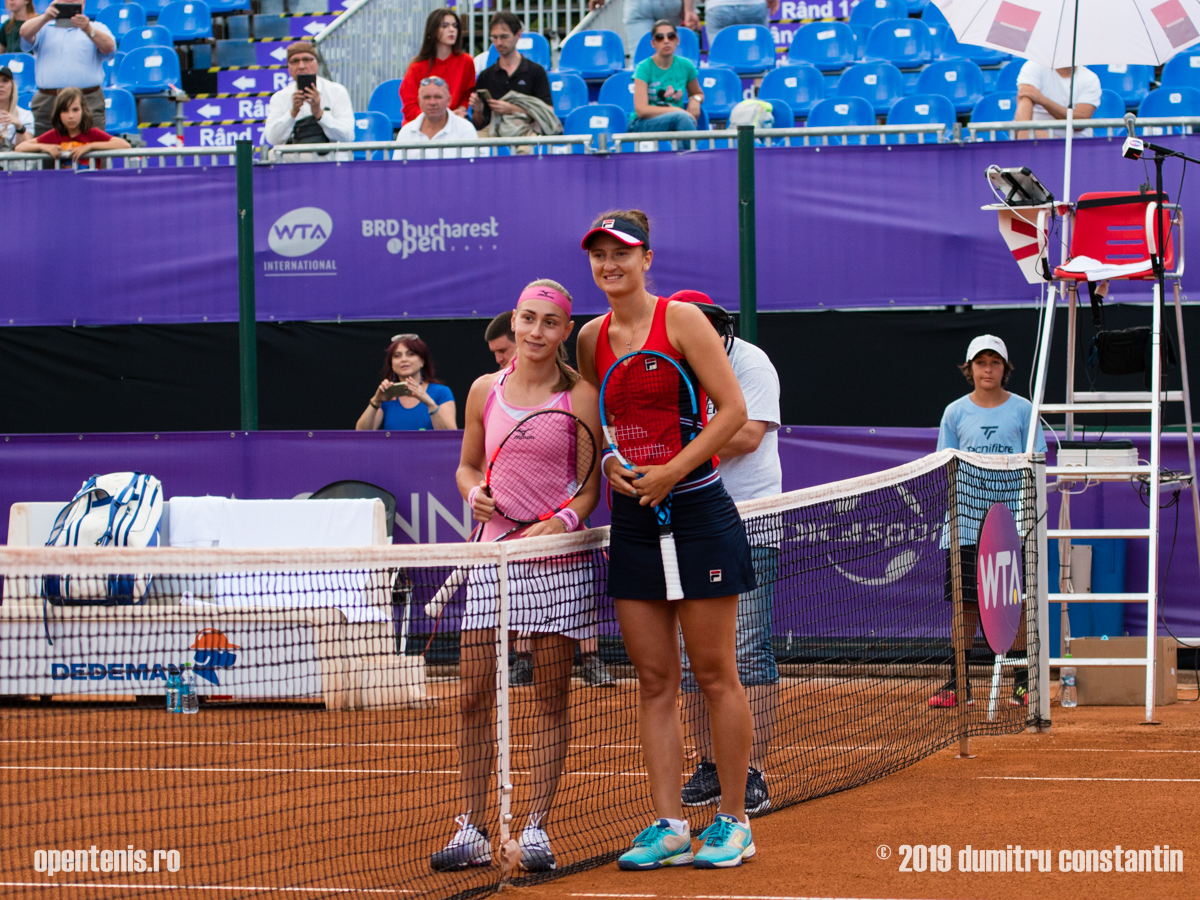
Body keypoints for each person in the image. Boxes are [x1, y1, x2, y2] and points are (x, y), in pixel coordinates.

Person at [575, 211, 758, 870]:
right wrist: (609, 464)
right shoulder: (590, 337)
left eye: (621, 253)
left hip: (699, 512)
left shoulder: (681, 320)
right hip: (633, 521)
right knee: (654, 680)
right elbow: (598, 418)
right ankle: (671, 824)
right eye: (599, 255)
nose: (609, 265)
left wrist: (673, 470)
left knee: (714, 673)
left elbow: (733, 411)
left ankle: (735, 821)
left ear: (646, 259)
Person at [432, 279, 603, 874]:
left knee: (551, 697)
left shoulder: (581, 397)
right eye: (528, 319)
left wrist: (561, 521)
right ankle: (472, 827)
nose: (536, 331)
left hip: (557, 564)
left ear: (564, 331)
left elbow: (589, 488)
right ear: (514, 321)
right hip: (493, 559)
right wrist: (473, 493)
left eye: (549, 322)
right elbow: (467, 467)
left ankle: (535, 828)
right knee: (472, 696)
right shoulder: (485, 389)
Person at [669, 291, 780, 818]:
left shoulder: (751, 363)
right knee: (692, 658)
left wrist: (674, 450)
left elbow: (748, 435)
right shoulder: (667, 368)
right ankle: (710, 764)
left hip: (749, 521)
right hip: (686, 524)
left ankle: (751, 770)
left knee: (749, 649)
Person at [930, 335, 1046, 709]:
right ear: (970, 369)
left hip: (1013, 526)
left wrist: (1023, 514)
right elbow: (944, 463)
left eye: (995, 362)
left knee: (1014, 602)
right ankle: (958, 683)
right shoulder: (954, 413)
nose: (988, 369)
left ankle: (1022, 683)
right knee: (964, 603)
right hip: (965, 525)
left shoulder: (1024, 410)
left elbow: (1037, 461)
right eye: (981, 362)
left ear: (1005, 369)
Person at [19, 0, 115, 137]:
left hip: (88, 99)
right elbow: (24, 33)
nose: (70, 1)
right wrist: (46, 17)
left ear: (83, 3)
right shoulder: (44, 27)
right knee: (45, 147)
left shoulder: (96, 27)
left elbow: (109, 48)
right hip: (49, 100)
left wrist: (88, 29)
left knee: (94, 146)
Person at [471, 12, 559, 143]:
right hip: (494, 131)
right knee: (473, 143)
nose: (499, 43)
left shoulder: (535, 71)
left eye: (504, 37)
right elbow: (479, 123)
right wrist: (477, 111)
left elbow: (548, 112)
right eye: (494, 37)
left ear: (518, 35)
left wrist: (511, 109)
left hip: (526, 128)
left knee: (527, 147)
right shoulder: (486, 76)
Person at [263, 41, 354, 161]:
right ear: (289, 67)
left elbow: (348, 136)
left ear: (316, 64)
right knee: (273, 156)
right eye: (295, 61)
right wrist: (292, 113)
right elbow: (272, 139)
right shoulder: (280, 97)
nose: (301, 66)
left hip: (332, 159)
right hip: (296, 158)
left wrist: (319, 114)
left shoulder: (336, 91)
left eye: (306, 60)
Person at [356, 334, 456, 431]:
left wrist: (430, 404)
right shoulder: (387, 395)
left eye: (410, 354)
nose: (403, 359)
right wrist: (375, 401)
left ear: (422, 361)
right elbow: (361, 434)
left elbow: (451, 436)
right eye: (397, 356)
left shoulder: (441, 392)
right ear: (392, 364)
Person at [399, 7, 475, 126]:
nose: (452, 30)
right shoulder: (416, 67)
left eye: (455, 26)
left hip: (453, 124)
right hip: (421, 125)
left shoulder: (466, 61)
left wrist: (460, 111)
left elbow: (467, 95)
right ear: (433, 30)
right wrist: (438, 119)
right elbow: (410, 108)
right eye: (445, 26)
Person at [14, 85, 128, 164]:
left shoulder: (92, 133)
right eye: (65, 111)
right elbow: (20, 147)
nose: (70, 116)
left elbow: (124, 145)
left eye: (75, 110)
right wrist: (44, 147)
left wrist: (90, 146)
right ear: (58, 114)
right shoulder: (55, 135)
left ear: (83, 110)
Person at [629, 20, 703, 135]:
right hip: (642, 124)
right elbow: (641, 110)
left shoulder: (686, 65)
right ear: (653, 43)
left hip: (675, 122)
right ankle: (692, 147)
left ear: (677, 40)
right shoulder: (643, 68)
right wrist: (676, 110)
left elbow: (698, 93)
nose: (666, 41)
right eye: (660, 37)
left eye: (671, 36)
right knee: (682, 118)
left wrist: (695, 100)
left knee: (680, 124)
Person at [392, 76, 479, 160]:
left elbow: (470, 168)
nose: (432, 102)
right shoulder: (406, 132)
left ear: (449, 100)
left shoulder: (465, 130)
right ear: (419, 101)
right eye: (427, 97)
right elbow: (398, 169)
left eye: (438, 97)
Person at [1015, 61, 1101, 140]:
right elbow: (1025, 97)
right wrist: (1025, 133)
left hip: (1075, 143)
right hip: (1037, 140)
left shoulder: (1090, 78)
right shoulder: (1034, 66)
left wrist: (1041, 99)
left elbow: (1080, 123)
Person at [588, 0, 698, 55]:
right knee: (671, 56)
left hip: (638, 4)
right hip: (669, 4)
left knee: (641, 59)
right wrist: (689, 10)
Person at [704, 0, 779, 46]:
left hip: (717, 6)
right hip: (753, 5)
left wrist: (693, 11)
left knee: (719, 57)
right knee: (758, 55)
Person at [0, 65, 33, 151]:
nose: (1, 85)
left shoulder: (25, 115)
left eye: (5, 80)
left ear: (12, 86)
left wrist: (19, 128)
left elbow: (28, 152)